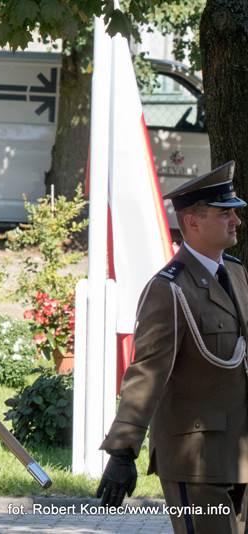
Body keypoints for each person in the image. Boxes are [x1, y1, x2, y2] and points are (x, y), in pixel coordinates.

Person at [96, 161, 248, 533]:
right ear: (193, 222)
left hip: (240, 453)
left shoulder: (238, 273)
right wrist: (122, 449)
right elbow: (146, 373)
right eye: (225, 214)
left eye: (235, 214)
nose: (237, 222)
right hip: (196, 457)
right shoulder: (169, 290)